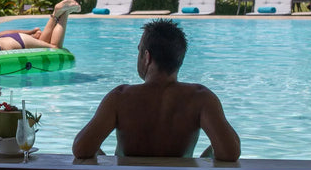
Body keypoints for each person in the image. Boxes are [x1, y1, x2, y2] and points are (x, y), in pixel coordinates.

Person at [71, 19, 240, 161]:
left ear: (147, 57)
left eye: (139, 52)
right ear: (179, 59)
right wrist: (202, 160)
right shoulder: (200, 98)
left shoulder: (120, 98)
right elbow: (230, 153)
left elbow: (81, 149)